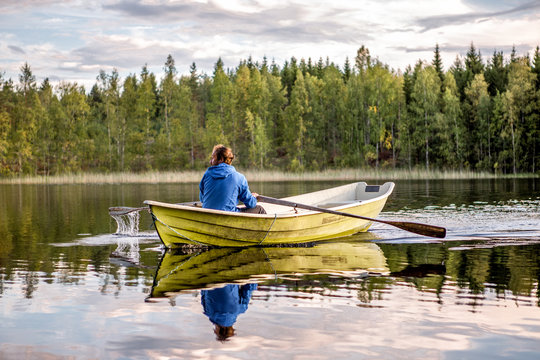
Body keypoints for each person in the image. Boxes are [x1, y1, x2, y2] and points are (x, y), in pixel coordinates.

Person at [199, 144, 266, 214]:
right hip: (227, 216)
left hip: (207, 215)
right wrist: (254, 197)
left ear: (221, 159)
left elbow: (202, 199)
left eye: (212, 158)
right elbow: (251, 204)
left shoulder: (207, 175)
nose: (210, 161)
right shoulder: (239, 178)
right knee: (259, 209)